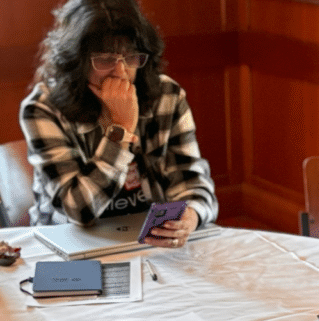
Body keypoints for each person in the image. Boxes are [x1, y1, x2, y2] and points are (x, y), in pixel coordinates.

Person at [20, 0, 218, 249]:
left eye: (131, 58)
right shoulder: (42, 108)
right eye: (105, 60)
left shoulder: (167, 95)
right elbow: (77, 211)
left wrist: (191, 215)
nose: (121, 72)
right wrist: (119, 131)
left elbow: (193, 182)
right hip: (67, 244)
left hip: (147, 241)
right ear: (76, 63)